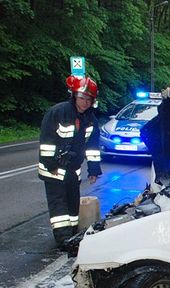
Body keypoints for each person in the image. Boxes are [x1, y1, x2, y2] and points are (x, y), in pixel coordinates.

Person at [38, 75, 102, 248]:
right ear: (74, 96)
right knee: (59, 207)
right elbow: (47, 141)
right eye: (82, 98)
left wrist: (94, 169)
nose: (85, 102)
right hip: (54, 169)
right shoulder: (58, 112)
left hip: (73, 169)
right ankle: (63, 240)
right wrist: (50, 164)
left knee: (73, 205)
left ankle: (73, 236)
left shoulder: (90, 119)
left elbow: (92, 147)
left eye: (89, 99)